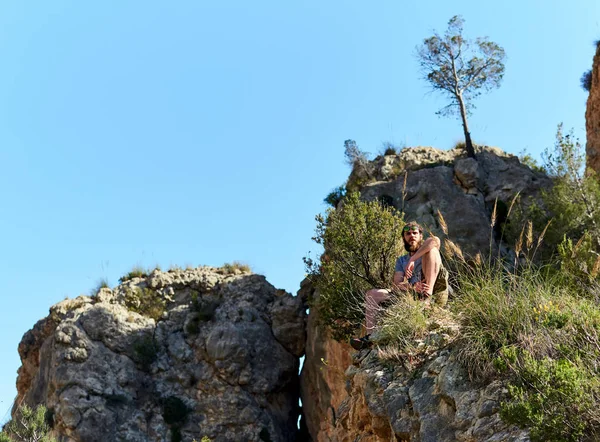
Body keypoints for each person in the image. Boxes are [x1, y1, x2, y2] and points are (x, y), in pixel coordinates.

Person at [350, 221, 448, 350]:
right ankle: (370, 337)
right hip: (414, 294)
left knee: (432, 250)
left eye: (415, 233)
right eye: (408, 233)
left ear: (420, 236)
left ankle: (427, 299)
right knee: (372, 294)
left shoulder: (427, 247)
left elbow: (434, 240)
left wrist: (412, 260)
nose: (411, 235)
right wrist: (412, 287)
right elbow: (397, 285)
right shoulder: (401, 260)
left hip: (435, 289)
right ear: (404, 238)